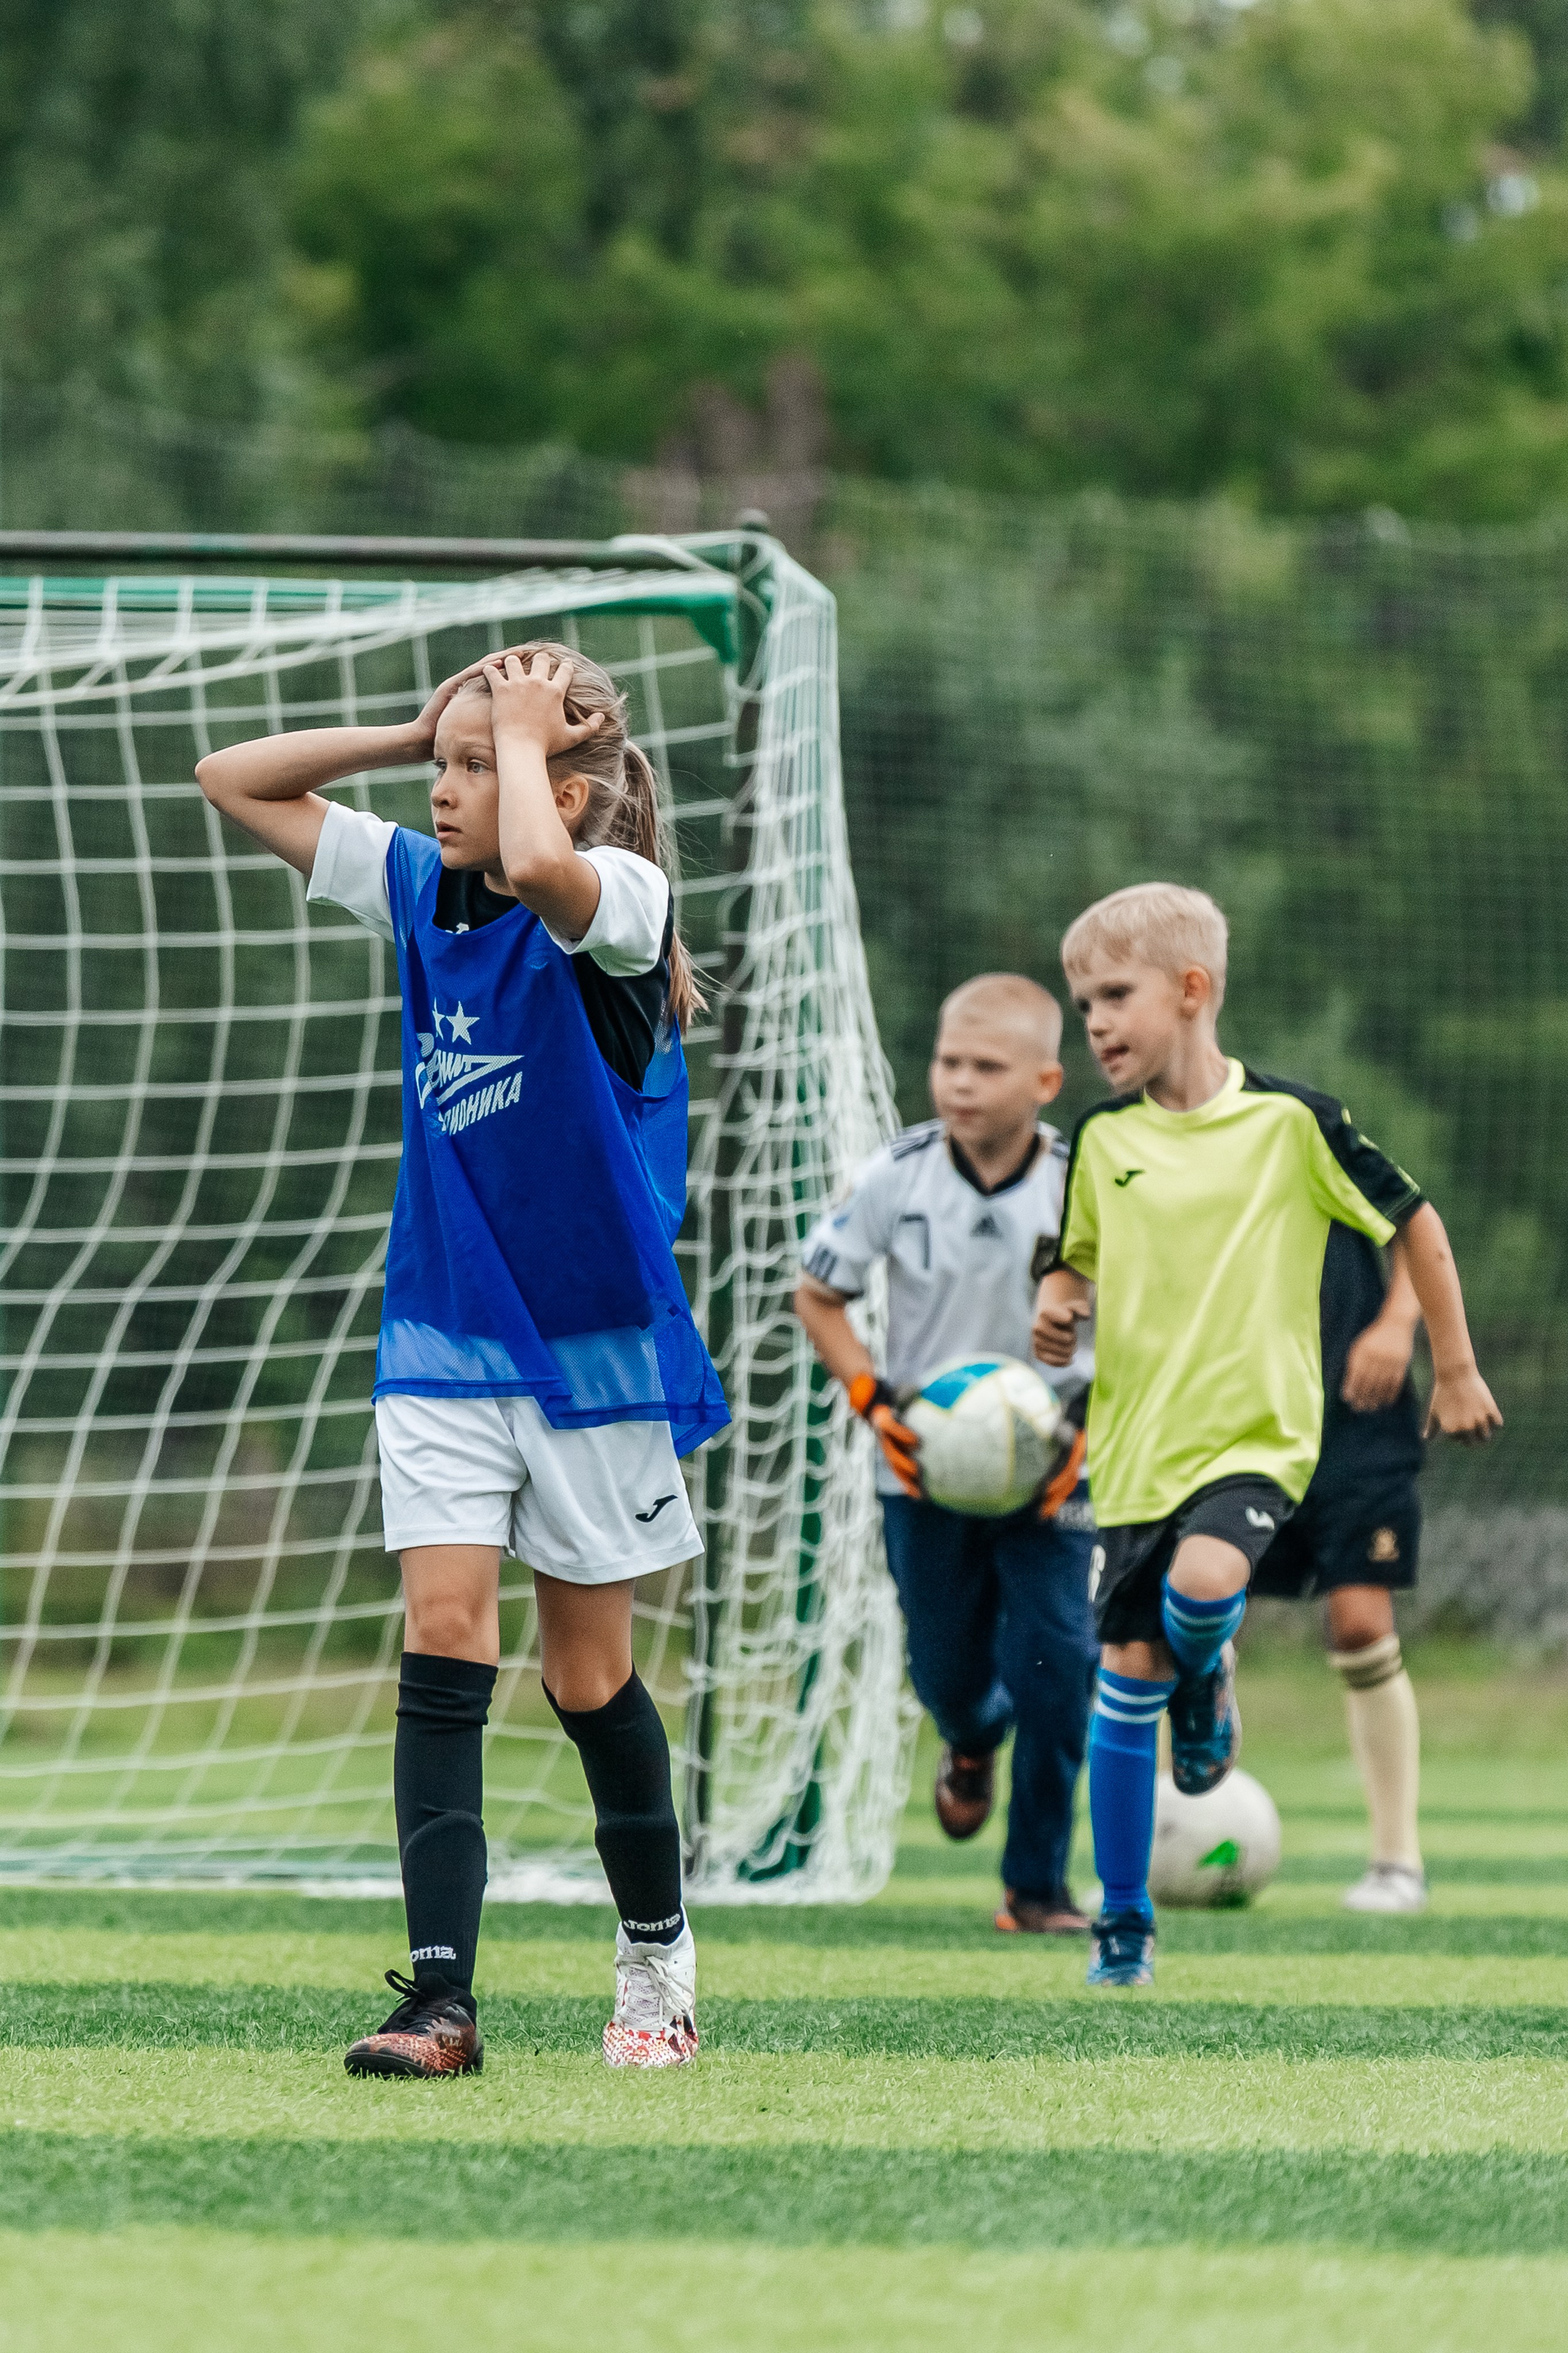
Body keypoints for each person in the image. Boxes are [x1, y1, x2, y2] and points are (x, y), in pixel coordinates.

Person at [196, 641, 728, 2073]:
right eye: (445, 764)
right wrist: (420, 728)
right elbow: (228, 778)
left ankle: (654, 1950)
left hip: (591, 1348)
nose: (444, 791)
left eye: (474, 768)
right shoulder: (417, 885)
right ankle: (440, 2001)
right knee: (442, 1637)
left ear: (567, 787)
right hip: (437, 1333)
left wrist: (527, 743)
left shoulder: (620, 898)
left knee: (584, 1677)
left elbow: (550, 869)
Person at [1032, 882, 1500, 1988]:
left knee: (1203, 1590)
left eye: (1113, 996)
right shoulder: (1100, 1140)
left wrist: (1458, 1363)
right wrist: (1058, 1302)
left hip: (1258, 1437)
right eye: (1081, 1002)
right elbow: (1075, 1259)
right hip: (1136, 1447)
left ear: (1193, 992)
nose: (1093, 1022)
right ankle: (1125, 1925)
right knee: (1125, 1668)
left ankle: (1212, 1687)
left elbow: (1415, 1221)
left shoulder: (1293, 1124)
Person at [794, 974, 1098, 1935]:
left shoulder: (1083, 1183)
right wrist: (871, 1399)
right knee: (950, 1672)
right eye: (949, 1063)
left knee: (1062, 1666)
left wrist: (1086, 1430)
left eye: (987, 1067)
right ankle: (969, 1741)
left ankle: (1036, 1887)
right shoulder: (898, 1174)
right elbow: (818, 1294)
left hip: (1052, 1467)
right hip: (922, 1471)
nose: (960, 1084)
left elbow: (1140, 1321)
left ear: (1045, 1081)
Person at [1251, 1225, 1430, 1912]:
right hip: (1241, 1417)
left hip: (1358, 1419)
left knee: (1360, 1625)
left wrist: (1395, 1324)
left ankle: (1396, 1860)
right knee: (1194, 1613)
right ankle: (1164, 1835)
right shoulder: (1161, 1142)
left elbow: (1415, 1223)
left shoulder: (1318, 1125)